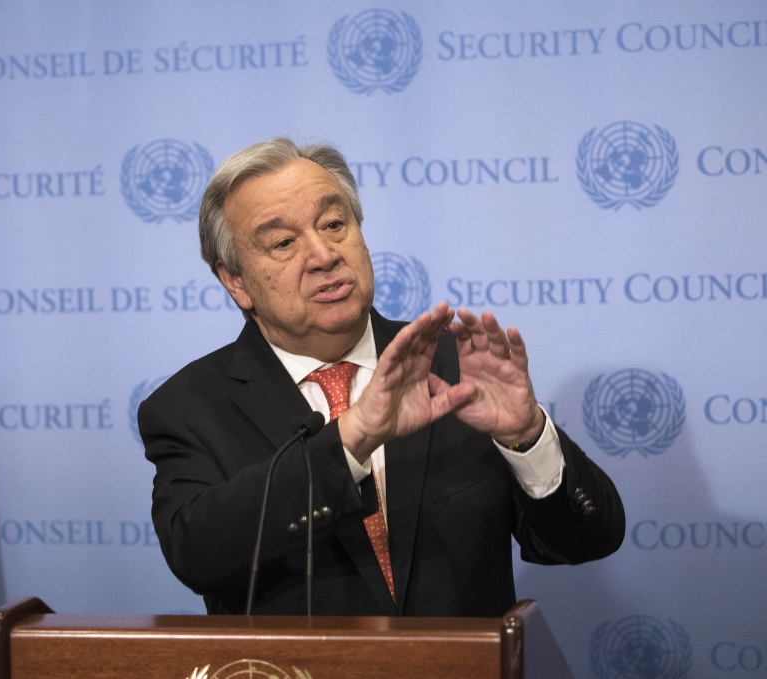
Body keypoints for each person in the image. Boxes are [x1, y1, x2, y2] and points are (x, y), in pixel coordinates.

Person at [139, 138, 625, 617]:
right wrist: (351, 438)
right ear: (236, 280)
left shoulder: (456, 367)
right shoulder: (191, 406)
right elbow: (197, 552)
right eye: (284, 242)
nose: (323, 254)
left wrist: (526, 437)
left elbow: (590, 539)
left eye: (334, 224)